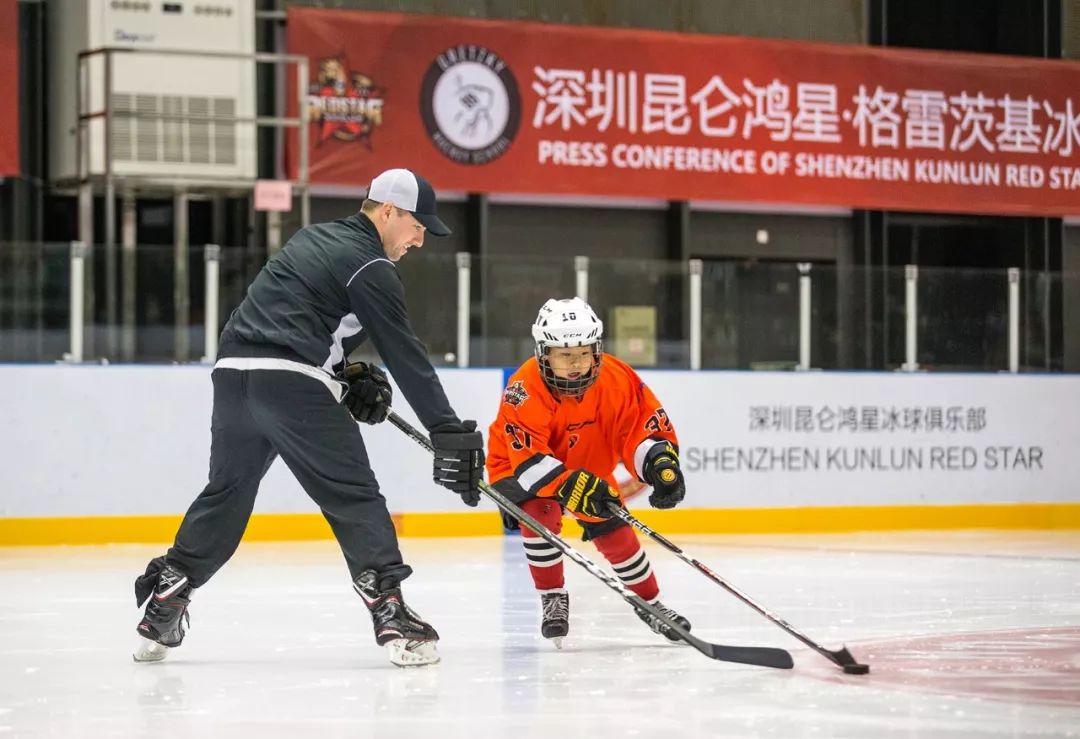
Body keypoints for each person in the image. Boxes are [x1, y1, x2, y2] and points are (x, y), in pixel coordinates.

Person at [132, 168, 485, 668]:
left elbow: (292, 321)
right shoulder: (371, 265)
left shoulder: (311, 239)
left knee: (227, 493)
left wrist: (344, 377)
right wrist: (444, 427)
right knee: (353, 495)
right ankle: (390, 612)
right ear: (388, 212)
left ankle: (168, 596)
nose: (420, 239)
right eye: (417, 225)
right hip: (291, 383)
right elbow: (403, 351)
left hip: (233, 376)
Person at [487, 297, 690, 648]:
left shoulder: (617, 377)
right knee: (540, 512)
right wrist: (567, 485)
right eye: (565, 355)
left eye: (584, 352)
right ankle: (552, 596)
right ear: (544, 353)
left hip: (589, 463)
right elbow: (529, 461)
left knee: (614, 531)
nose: (577, 364)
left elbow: (640, 428)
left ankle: (651, 604)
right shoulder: (524, 387)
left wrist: (659, 462)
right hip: (516, 466)